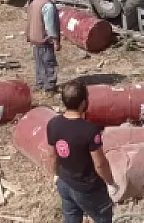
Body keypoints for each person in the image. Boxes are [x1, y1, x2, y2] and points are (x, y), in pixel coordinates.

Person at [47, 81, 116, 223]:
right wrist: (111, 183)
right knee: (103, 218)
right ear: (84, 103)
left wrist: (55, 175)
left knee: (71, 218)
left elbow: (52, 155)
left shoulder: (53, 124)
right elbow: (100, 164)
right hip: (87, 188)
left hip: (64, 183)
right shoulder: (90, 130)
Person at [27, 0, 62, 94]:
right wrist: (56, 41)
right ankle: (49, 88)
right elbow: (50, 26)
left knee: (39, 64)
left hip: (34, 38)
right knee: (49, 63)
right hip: (44, 40)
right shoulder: (48, 6)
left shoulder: (36, 1)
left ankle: (40, 84)